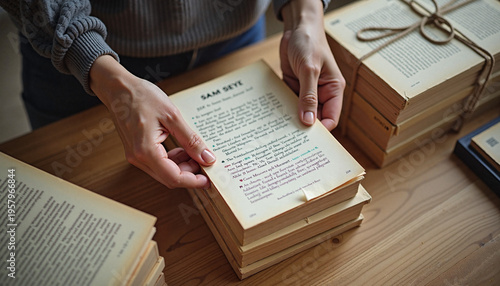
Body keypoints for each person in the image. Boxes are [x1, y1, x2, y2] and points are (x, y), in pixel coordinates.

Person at [1, 0, 345, 190]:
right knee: (72, 193)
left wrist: (306, 15)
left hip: (235, 37)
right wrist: (101, 71)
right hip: (79, 53)